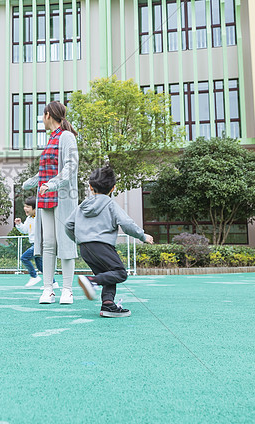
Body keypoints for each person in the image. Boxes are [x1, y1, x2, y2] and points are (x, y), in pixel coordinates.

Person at [65, 166, 154, 317]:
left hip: (85, 248)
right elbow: (126, 224)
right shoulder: (110, 203)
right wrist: (143, 236)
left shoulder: (82, 205)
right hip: (102, 246)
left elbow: (68, 225)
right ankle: (91, 280)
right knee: (120, 273)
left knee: (108, 274)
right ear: (113, 188)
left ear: (90, 187)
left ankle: (108, 305)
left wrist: (79, 240)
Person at [22, 100, 79, 305]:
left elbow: (70, 166)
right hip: (45, 198)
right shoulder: (51, 140)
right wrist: (33, 181)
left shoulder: (66, 137)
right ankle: (48, 290)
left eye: (42, 116)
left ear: (48, 115)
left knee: (65, 244)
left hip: (61, 198)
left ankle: (67, 290)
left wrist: (53, 184)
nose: (42, 120)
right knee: (48, 244)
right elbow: (46, 171)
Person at [14, 196, 44, 288]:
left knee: (24, 258)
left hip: (39, 244)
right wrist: (19, 224)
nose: (25, 208)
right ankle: (53, 283)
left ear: (35, 208)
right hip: (34, 244)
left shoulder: (40, 217)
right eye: (25, 206)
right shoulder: (29, 218)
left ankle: (34, 276)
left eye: (28, 207)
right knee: (40, 266)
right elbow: (25, 230)